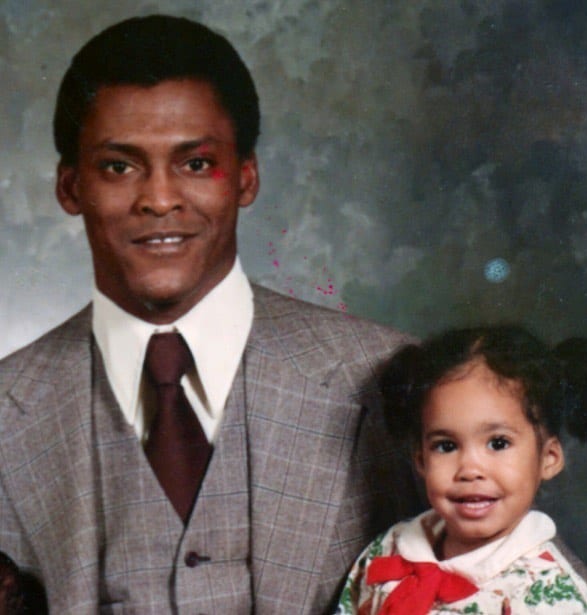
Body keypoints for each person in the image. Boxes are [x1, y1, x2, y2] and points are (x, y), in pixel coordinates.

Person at [0, 14, 423, 613]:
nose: (160, 199)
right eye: (119, 166)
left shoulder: (392, 375)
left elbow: (534, 586)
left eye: (196, 163)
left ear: (246, 177)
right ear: (70, 187)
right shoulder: (4, 415)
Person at [336, 325, 587, 614]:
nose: (469, 470)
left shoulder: (549, 597)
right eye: (446, 446)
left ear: (549, 457)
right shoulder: (389, 548)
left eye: (498, 443)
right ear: (420, 459)